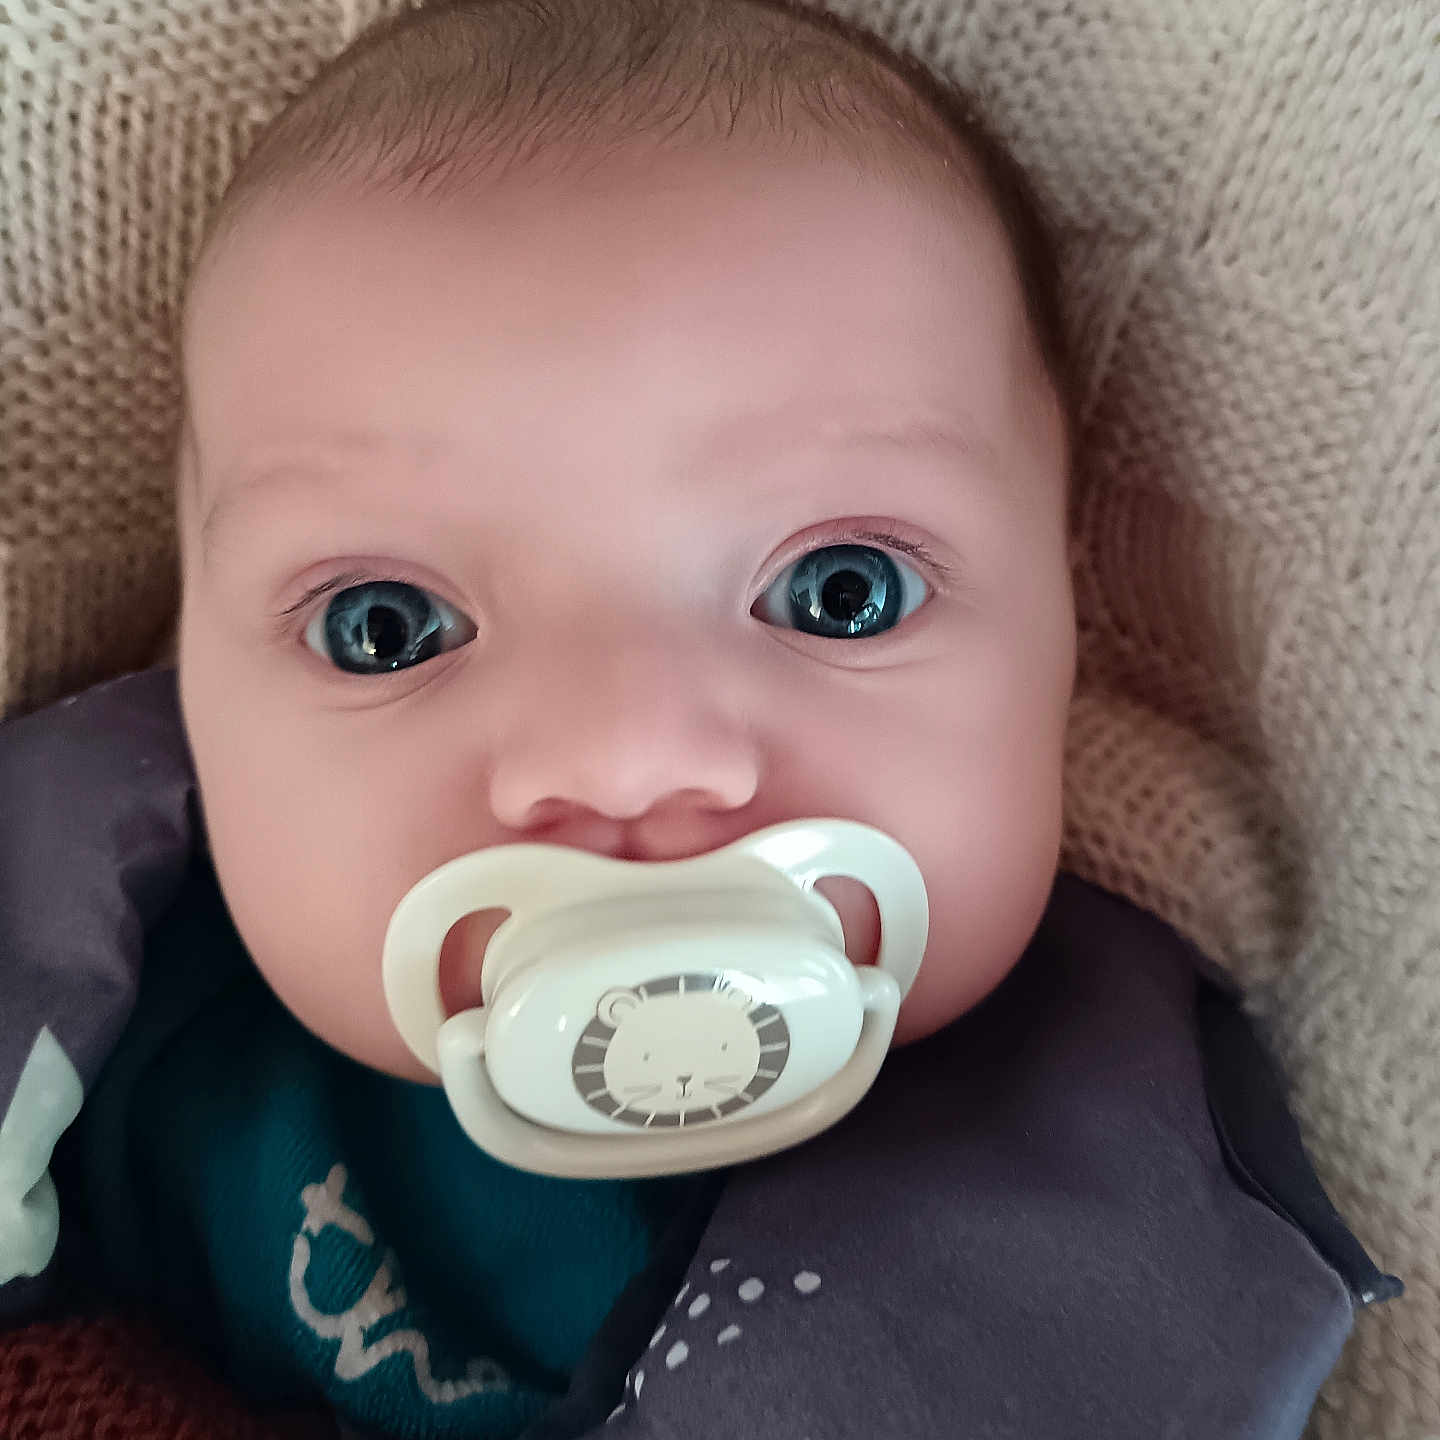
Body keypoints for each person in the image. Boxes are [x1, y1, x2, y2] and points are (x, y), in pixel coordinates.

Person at [0, 2, 1397, 1436]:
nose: (628, 760)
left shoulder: (1117, 1182)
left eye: (840, 593)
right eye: (388, 628)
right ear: (188, 671)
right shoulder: (112, 1012)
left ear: (1067, 628)